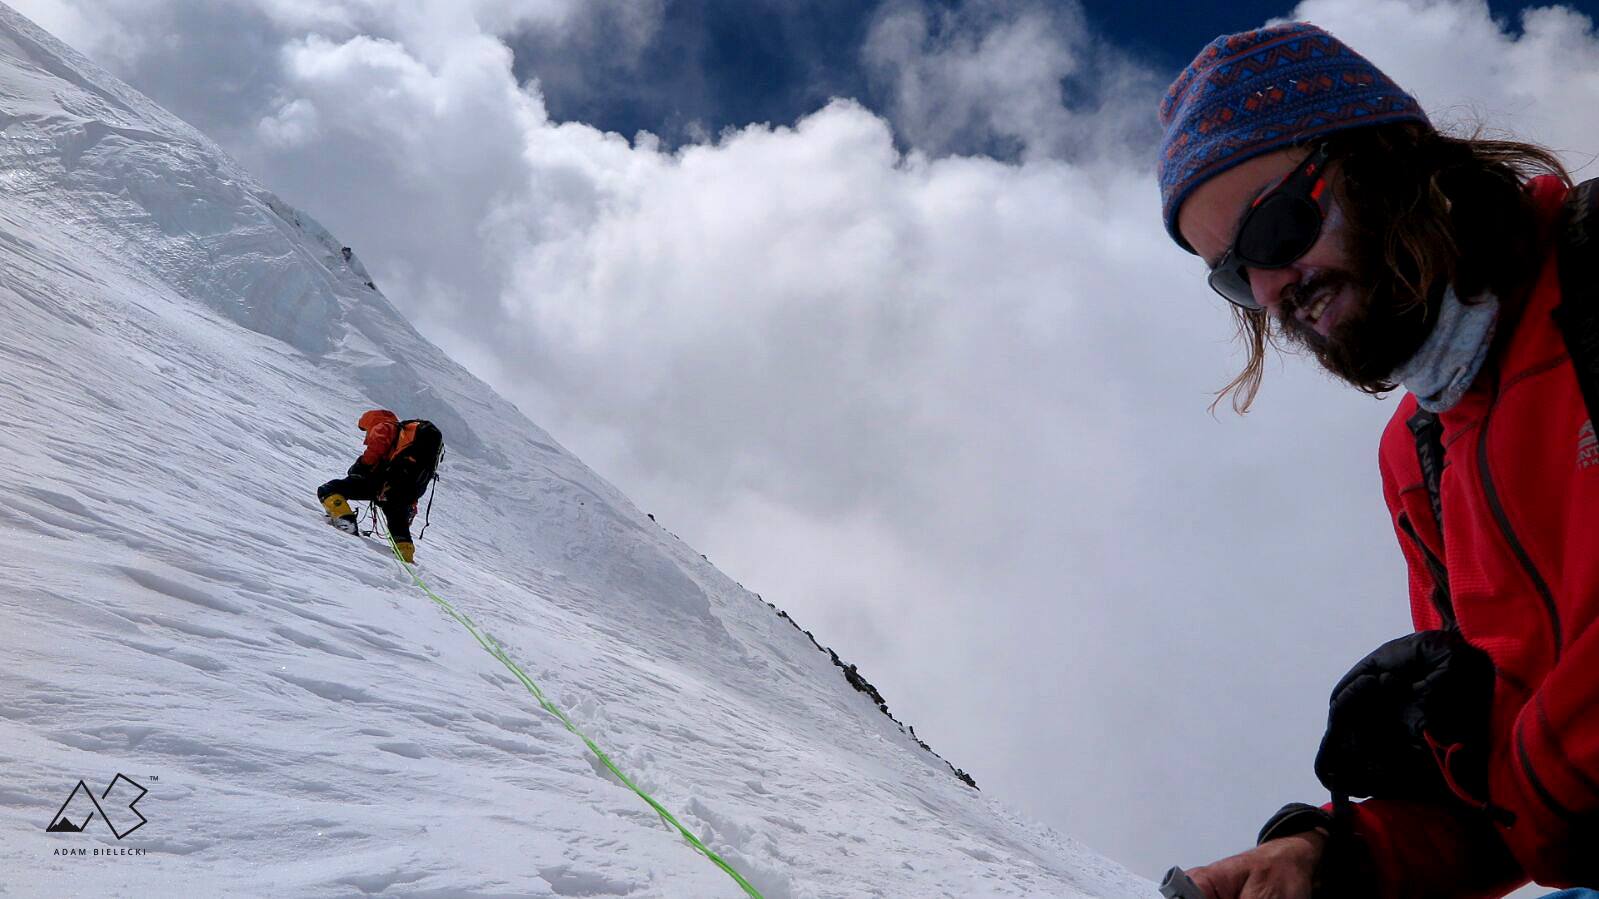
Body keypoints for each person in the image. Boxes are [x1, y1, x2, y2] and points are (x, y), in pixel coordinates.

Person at [1157, 22, 1599, 899]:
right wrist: (1337, 857)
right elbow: (1500, 819)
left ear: (1386, 156)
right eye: (1235, 275)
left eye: (1278, 226)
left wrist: (1527, 764)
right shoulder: (1422, 451)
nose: (1274, 287)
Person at [317, 409, 442, 564]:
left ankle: (345, 520)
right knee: (396, 515)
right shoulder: (407, 439)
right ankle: (405, 553)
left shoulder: (384, 425)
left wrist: (362, 466)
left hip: (381, 483)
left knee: (329, 489)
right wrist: (411, 505)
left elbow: (376, 448)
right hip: (403, 490)